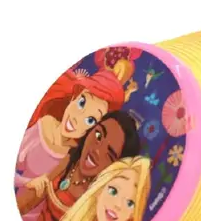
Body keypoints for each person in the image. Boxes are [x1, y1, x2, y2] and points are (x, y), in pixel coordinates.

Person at [16, 111, 140, 221]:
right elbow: (34, 195)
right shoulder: (71, 160)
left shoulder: (102, 199)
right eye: (98, 135)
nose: (96, 150)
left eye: (109, 154)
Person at [15, 66, 131, 198]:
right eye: (81, 103)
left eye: (90, 120)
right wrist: (27, 183)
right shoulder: (45, 125)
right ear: (74, 97)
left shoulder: (75, 155)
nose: (77, 118)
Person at [44, 156, 151, 221]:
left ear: (133, 213)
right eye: (113, 191)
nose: (118, 205)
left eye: (130, 203)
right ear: (99, 190)